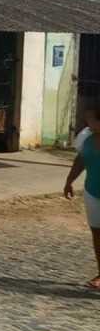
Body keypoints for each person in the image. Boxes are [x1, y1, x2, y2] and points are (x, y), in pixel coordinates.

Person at [64, 106, 100, 290]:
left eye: (91, 119)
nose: (88, 122)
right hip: (92, 193)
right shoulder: (86, 137)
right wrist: (69, 180)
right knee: (97, 234)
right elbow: (81, 160)